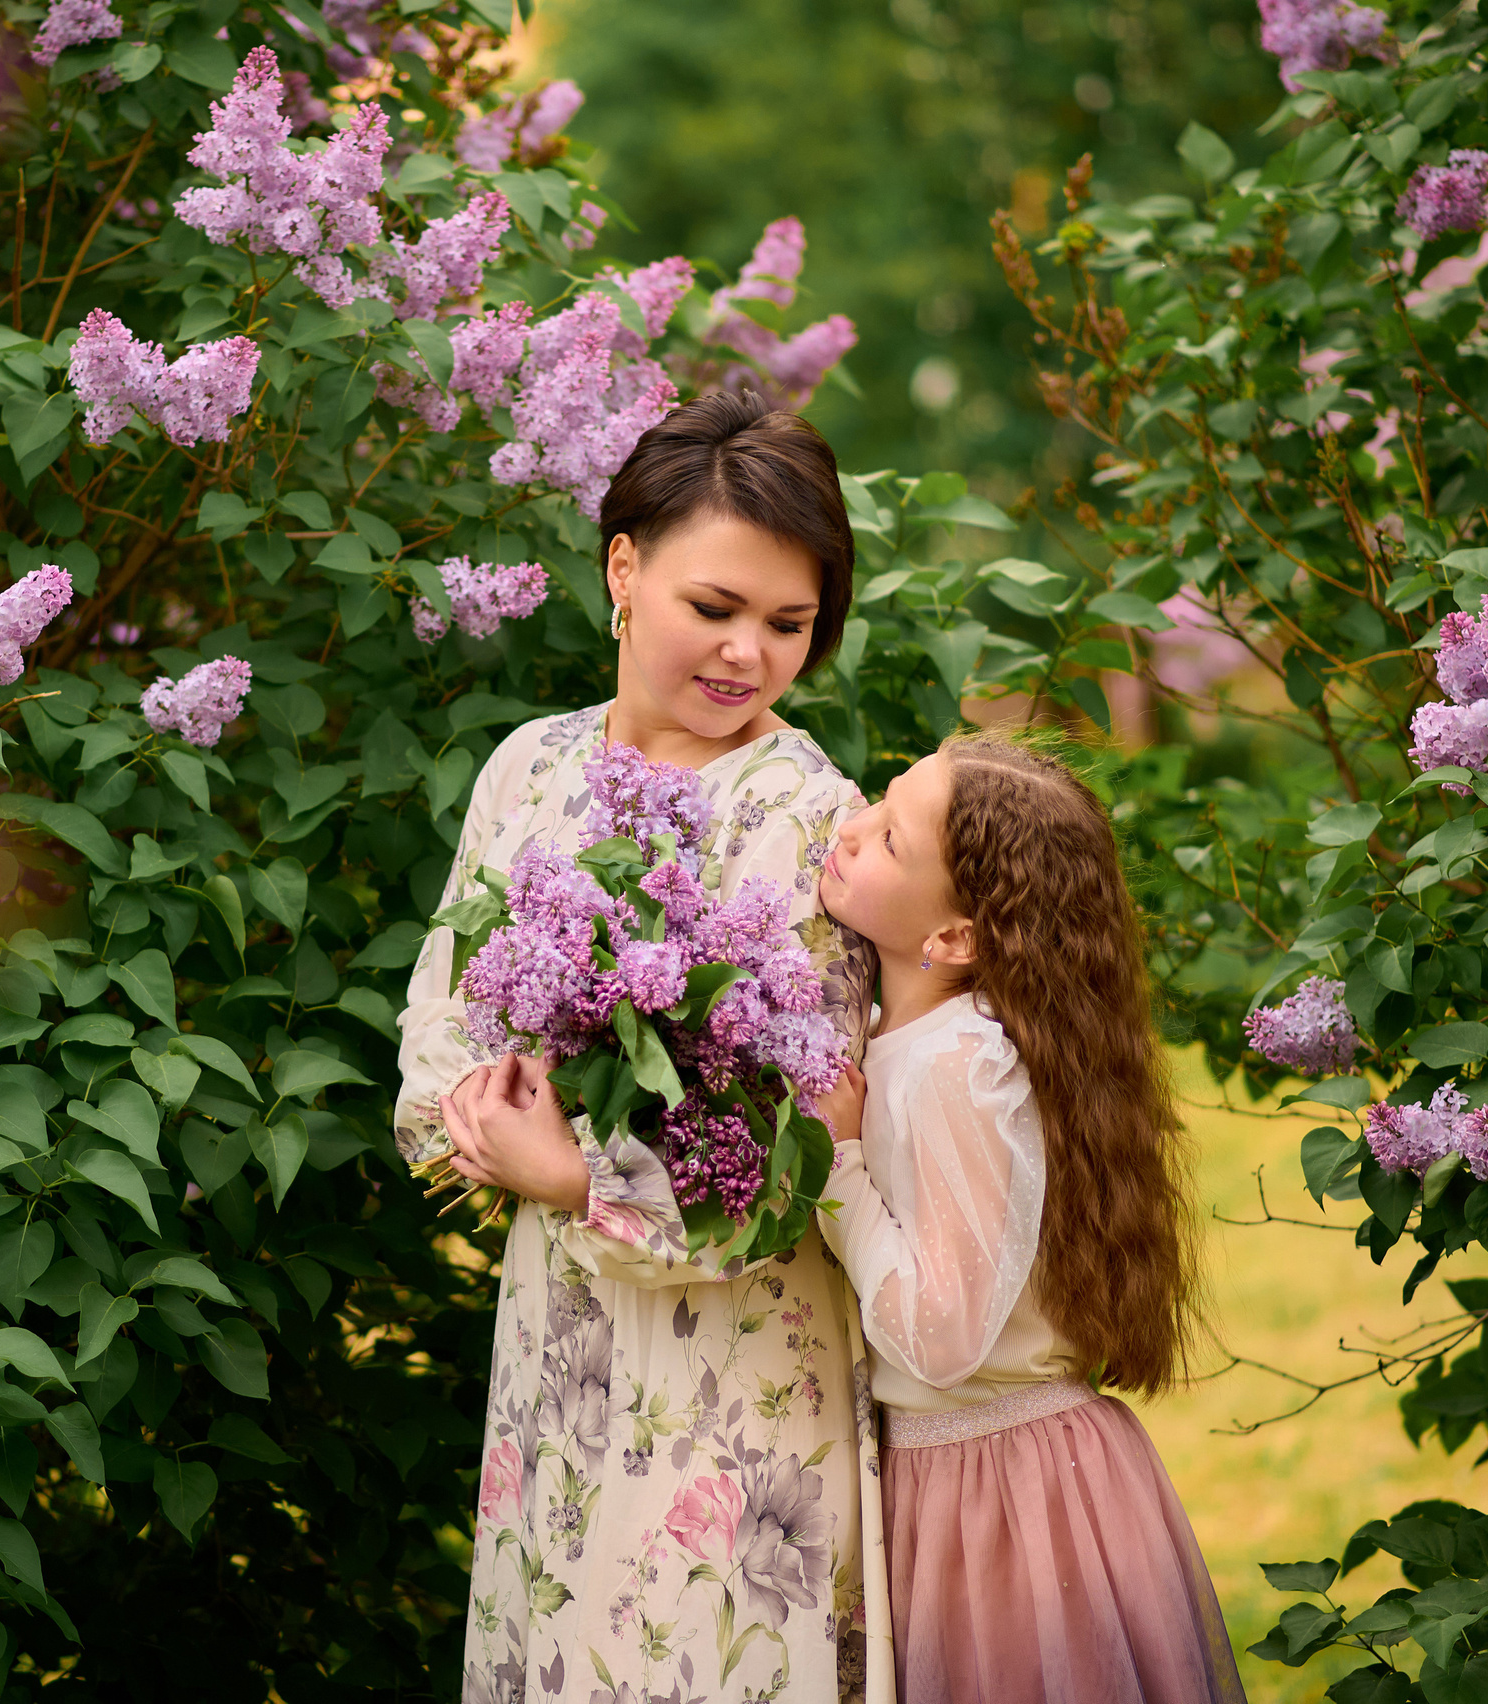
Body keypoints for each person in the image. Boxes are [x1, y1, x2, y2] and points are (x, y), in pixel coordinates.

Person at [395, 390, 891, 1704]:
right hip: (556, 1352)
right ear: (623, 566)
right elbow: (442, 1027)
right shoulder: (528, 770)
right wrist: (482, 1119)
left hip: (734, 1375)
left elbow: (817, 1141)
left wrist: (573, 1176)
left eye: (789, 626)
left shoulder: (809, 818)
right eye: (716, 609)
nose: (748, 656)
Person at [811, 734, 1245, 1704]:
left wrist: (835, 1167)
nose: (847, 832)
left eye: (886, 839)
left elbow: (940, 1336)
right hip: (982, 1475)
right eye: (875, 809)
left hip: (1004, 1502)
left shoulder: (958, 1069)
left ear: (955, 939)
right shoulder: (915, 1047)